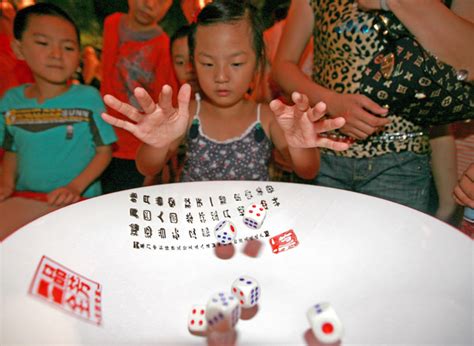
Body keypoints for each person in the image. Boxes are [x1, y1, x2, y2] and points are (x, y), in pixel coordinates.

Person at [101, 0, 349, 183]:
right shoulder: (187, 113)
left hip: (252, 226)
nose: (221, 77)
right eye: (207, 64)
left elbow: (307, 170)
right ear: (193, 63)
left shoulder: (268, 115)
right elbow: (147, 166)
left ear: (257, 62)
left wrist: (302, 146)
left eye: (237, 63)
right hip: (196, 224)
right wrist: (156, 143)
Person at [273, 0, 474, 213]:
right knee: (322, 242)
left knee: (393, 245)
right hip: (326, 152)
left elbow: (464, 56)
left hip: (401, 157)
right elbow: (282, 66)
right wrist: (332, 102)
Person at [0, 3, 116, 206]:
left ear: (79, 55)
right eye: (43, 43)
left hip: (79, 202)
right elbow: (12, 150)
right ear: (18, 48)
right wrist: (6, 184)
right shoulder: (11, 101)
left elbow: (104, 151)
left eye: (68, 47)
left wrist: (75, 188)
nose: (57, 54)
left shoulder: (89, 98)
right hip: (26, 200)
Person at [100, 0, 178, 193]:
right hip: (100, 138)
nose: (150, 5)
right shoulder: (111, 23)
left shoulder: (163, 47)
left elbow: (167, 108)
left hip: (134, 148)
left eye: (160, 2)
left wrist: (157, 163)